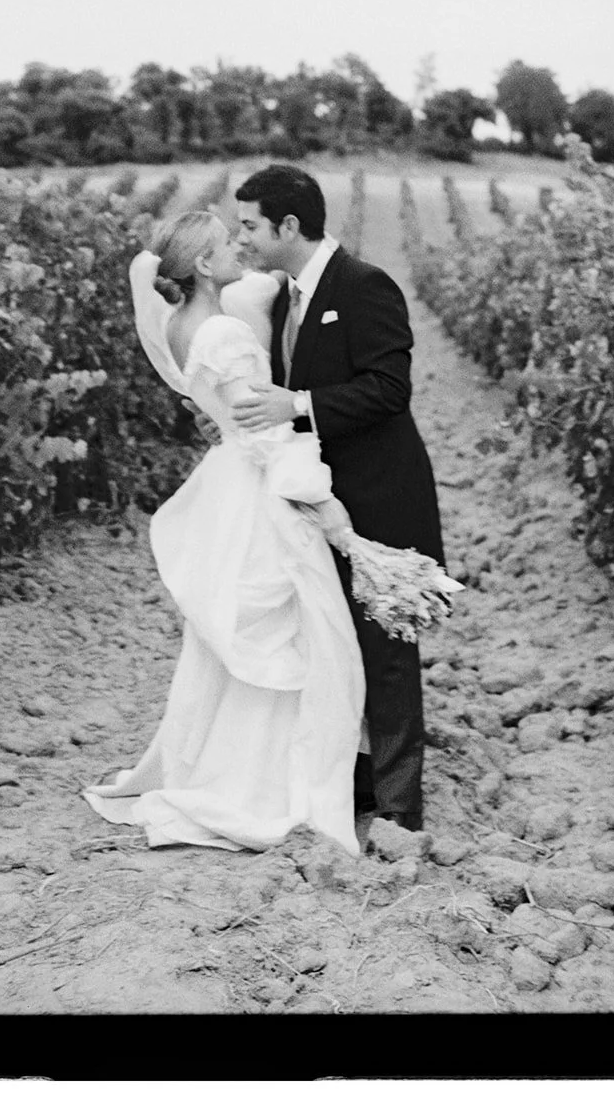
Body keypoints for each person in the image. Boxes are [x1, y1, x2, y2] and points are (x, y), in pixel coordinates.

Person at [82, 210, 367, 856]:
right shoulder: (224, 334)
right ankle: (263, 785)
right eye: (225, 244)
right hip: (257, 488)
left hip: (226, 480)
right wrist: (322, 504)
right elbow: (264, 432)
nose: (240, 248)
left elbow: (222, 415)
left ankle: (230, 764)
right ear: (205, 266)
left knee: (237, 636)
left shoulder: (182, 327)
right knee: (289, 631)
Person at [232, 164, 445, 833]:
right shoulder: (282, 296)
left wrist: (295, 405)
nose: (243, 239)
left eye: (250, 226)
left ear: (288, 227)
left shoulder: (362, 285)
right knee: (335, 646)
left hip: (380, 495)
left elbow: (390, 389)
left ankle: (400, 811)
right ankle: (353, 784)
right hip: (321, 501)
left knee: (385, 649)